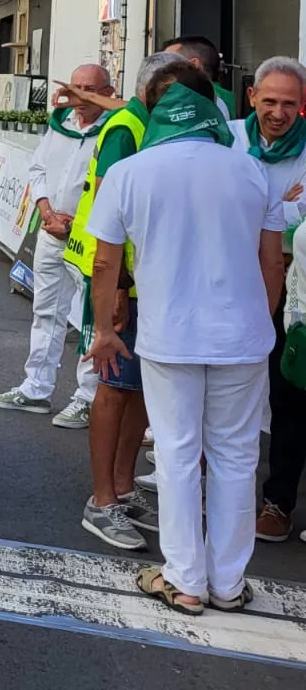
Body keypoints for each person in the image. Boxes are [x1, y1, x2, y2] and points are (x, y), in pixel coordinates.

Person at [86, 59, 285, 615]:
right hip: (242, 337)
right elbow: (273, 262)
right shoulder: (250, 170)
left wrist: (104, 330)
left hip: (169, 333)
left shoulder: (133, 172)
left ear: (155, 106)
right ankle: (228, 581)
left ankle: (185, 580)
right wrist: (261, 325)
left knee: (176, 453)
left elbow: (105, 263)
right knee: (236, 457)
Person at [57, 55, 163, 551]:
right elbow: (110, 208)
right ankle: (102, 501)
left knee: (139, 390)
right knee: (115, 387)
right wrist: (115, 288)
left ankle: (121, 488)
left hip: (147, 281)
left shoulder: (147, 120)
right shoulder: (128, 128)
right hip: (121, 280)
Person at [0, 64, 112, 427]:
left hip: (90, 238)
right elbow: (37, 169)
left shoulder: (116, 130)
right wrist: (44, 208)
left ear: (108, 90)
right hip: (51, 230)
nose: (82, 96)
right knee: (46, 310)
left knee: (90, 320)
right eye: (77, 87)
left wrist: (78, 222)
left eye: (91, 89)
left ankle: (88, 397)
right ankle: (36, 387)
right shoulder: (60, 123)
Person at [230, 57, 306, 542]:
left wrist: (280, 218)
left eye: (290, 103)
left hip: (293, 291)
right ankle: (215, 493)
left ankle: (277, 503)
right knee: (225, 394)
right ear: (253, 95)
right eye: (270, 100)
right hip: (230, 285)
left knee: (290, 399)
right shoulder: (227, 139)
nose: (278, 112)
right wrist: (288, 207)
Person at [165, 35, 232, 119]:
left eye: (168, 62)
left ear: (193, 65)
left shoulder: (195, 99)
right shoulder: (222, 98)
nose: (162, 69)